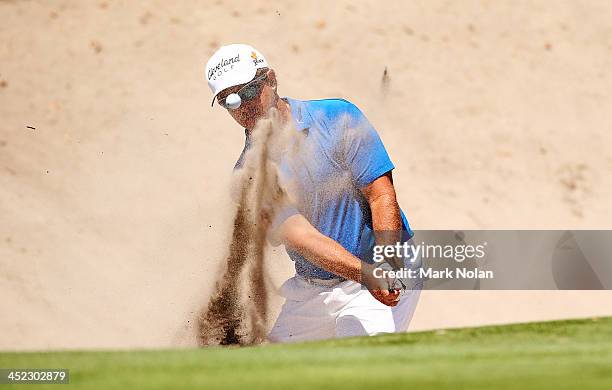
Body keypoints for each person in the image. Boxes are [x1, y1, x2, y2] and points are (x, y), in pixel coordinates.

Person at [205, 44, 420, 342]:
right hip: (315, 287)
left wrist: (385, 263)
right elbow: (300, 237)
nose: (243, 106)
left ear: (271, 79)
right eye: (230, 101)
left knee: (360, 361)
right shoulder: (249, 174)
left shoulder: (338, 117)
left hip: (383, 263)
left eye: (250, 92)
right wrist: (364, 273)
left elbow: (380, 194)